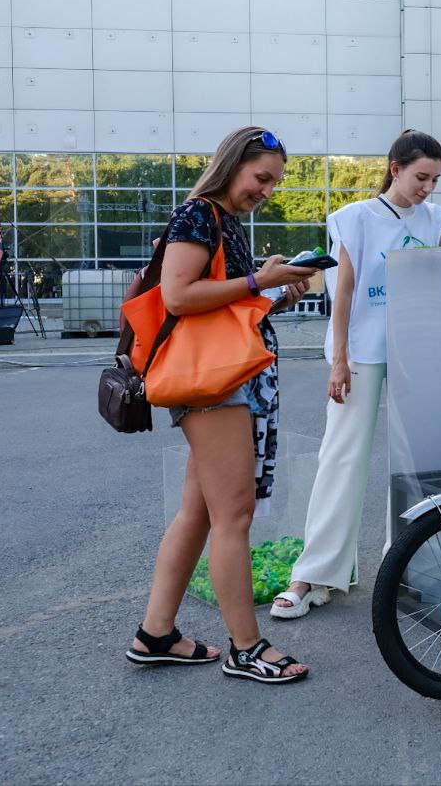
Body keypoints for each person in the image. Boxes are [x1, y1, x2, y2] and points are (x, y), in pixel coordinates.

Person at [127, 126, 318, 683]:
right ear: (233, 164)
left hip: (221, 381)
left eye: (274, 183)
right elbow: (180, 295)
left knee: (202, 512)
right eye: (262, 178)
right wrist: (259, 278)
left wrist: (274, 293)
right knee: (233, 516)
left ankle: (156, 633)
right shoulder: (199, 215)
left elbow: (225, 317)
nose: (267, 190)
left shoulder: (223, 223)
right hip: (213, 389)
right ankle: (247, 647)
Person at [271, 130, 441, 620]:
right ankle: (314, 575)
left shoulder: (436, 219)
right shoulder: (355, 219)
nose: (428, 188)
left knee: (420, 464)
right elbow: (343, 294)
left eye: (435, 179)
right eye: (420, 177)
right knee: (341, 457)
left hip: (421, 354)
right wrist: (339, 358)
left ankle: (408, 568)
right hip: (363, 351)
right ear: (395, 168)